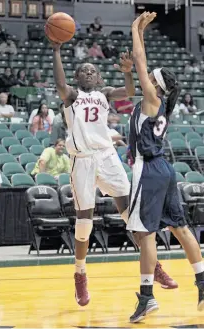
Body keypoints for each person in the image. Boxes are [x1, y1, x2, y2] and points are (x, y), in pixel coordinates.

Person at [50, 38, 178, 308]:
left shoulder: (105, 93)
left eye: (93, 71)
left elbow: (130, 92)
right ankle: (80, 273)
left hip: (107, 156)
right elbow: (61, 86)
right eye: (83, 70)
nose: (89, 73)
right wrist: (57, 49)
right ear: (77, 77)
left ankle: (153, 267)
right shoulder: (73, 96)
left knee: (131, 215)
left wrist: (128, 71)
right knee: (85, 220)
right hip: (82, 160)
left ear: (98, 78)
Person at [128, 12, 204, 323]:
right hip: (164, 168)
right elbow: (141, 66)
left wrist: (135, 28)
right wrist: (143, 32)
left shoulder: (151, 99)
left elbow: (139, 60)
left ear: (154, 84)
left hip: (148, 170)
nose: (146, 77)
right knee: (180, 228)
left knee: (144, 234)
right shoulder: (160, 103)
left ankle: (147, 297)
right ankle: (202, 281)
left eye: (150, 76)